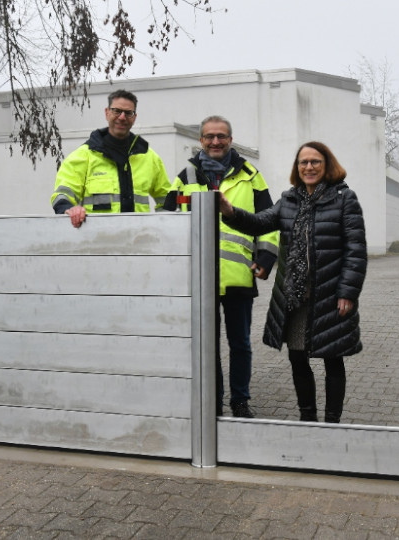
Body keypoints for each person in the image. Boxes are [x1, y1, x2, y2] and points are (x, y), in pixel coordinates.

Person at [218, 141, 366, 423]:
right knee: (298, 358)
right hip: (295, 298)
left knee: (332, 359)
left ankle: (332, 421)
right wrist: (230, 212)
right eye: (303, 163)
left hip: (330, 296)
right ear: (297, 168)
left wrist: (348, 292)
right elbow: (260, 222)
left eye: (315, 162)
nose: (308, 167)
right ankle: (307, 419)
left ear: (327, 165)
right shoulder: (289, 199)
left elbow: (355, 251)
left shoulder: (344, 199)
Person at [164, 116, 279, 418]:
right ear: (200, 140)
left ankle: (240, 401)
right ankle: (211, 401)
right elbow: (167, 224)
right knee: (207, 345)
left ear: (231, 139)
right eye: (209, 136)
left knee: (240, 344)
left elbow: (269, 220)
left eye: (221, 136)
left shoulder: (251, 175)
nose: (215, 142)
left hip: (238, 276)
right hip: (198, 278)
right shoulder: (185, 176)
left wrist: (266, 256)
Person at [51, 89, 171, 226]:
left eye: (128, 113)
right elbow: (63, 194)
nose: (122, 117)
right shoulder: (83, 156)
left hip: (139, 241)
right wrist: (69, 209)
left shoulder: (150, 158)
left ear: (134, 117)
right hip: (97, 241)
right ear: (107, 113)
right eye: (116, 111)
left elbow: (167, 200)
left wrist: (163, 226)